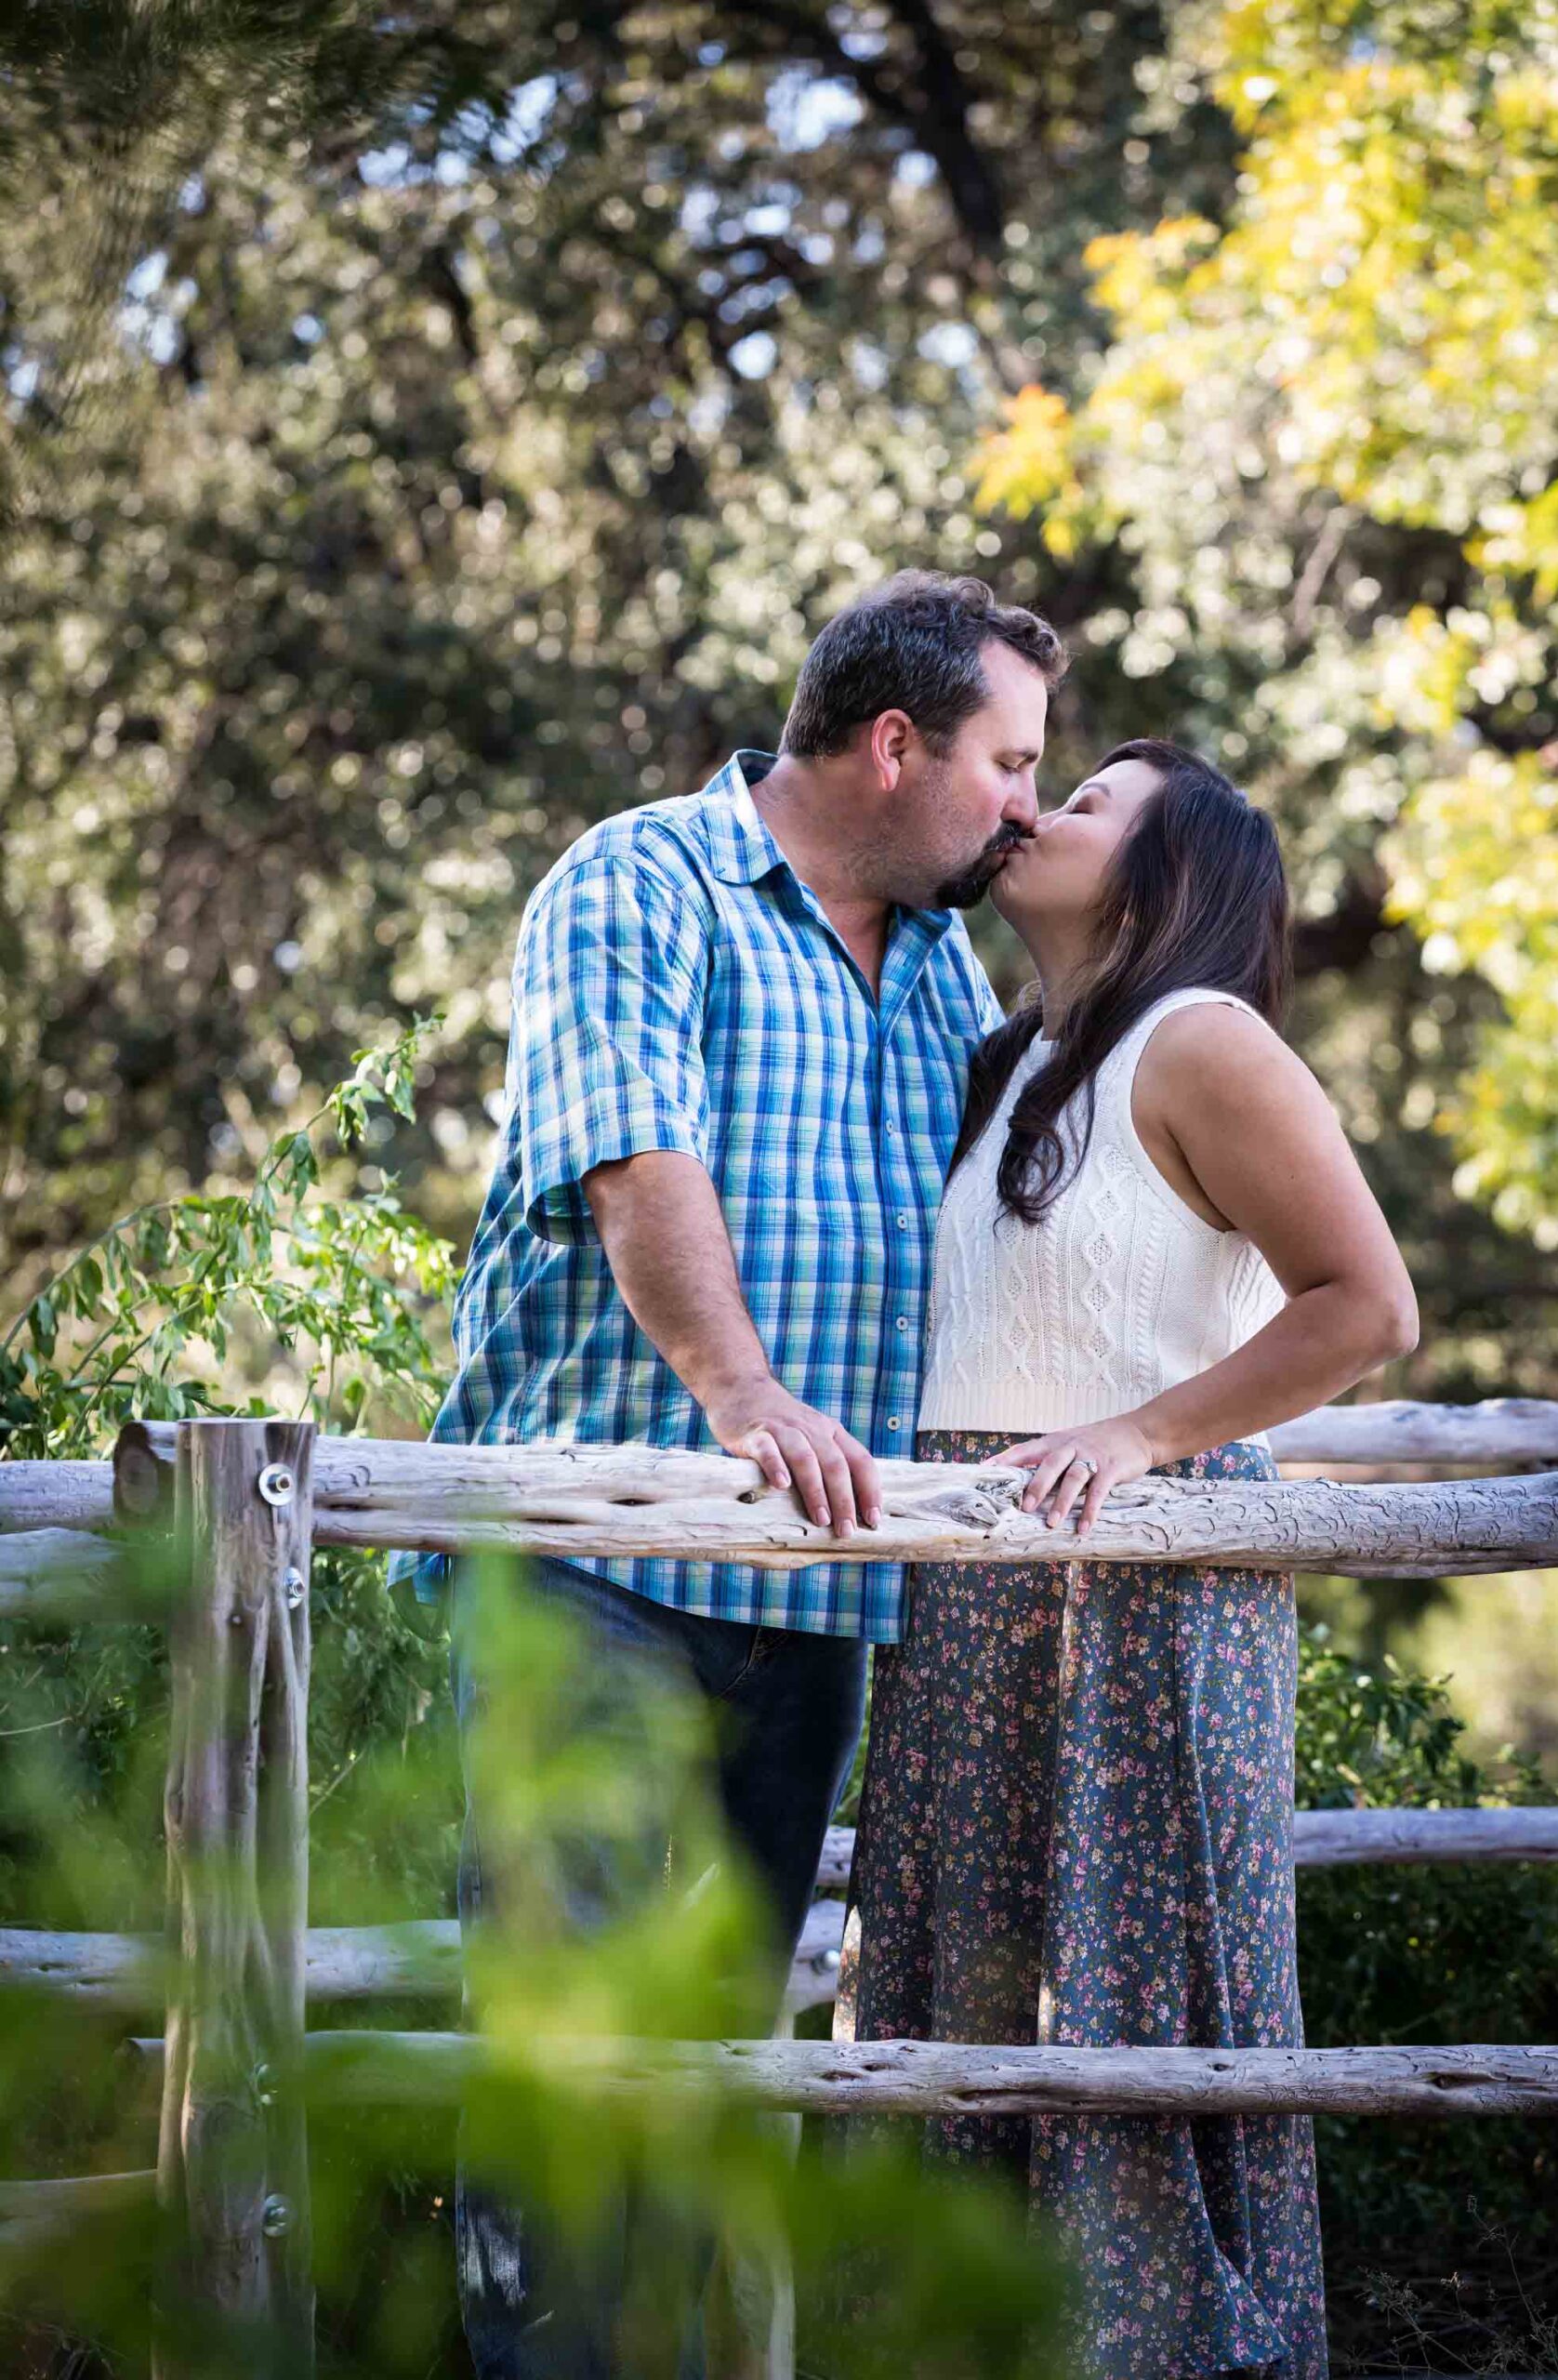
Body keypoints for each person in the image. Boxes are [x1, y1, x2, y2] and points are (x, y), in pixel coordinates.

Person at [392, 572, 1068, 2379]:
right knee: (573, 2054)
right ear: (893, 739)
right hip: (595, 1567)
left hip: (819, 1603)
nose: (1024, 802)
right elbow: (631, 1152)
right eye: (1008, 760)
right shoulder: (642, 880)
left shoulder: (945, 972)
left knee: (705, 2068)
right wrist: (743, 1391)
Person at [836, 737, 1419, 2380]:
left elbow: (1367, 1308)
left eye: (1085, 802)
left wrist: (1139, 1436)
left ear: (1173, 874)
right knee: (959, 1982)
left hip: (1141, 1591)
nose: (1033, 809)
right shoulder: (1010, 1057)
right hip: (974, 1606)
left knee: (1134, 1995)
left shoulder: (1203, 1039)